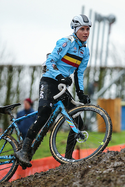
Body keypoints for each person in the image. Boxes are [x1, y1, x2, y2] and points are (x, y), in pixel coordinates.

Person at [15, 14, 92, 167]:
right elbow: (50, 61)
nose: (86, 32)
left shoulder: (85, 52)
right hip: (50, 80)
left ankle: (68, 159)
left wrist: (81, 93)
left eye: (88, 29)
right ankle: (23, 150)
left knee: (77, 121)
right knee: (44, 113)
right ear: (75, 29)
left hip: (62, 85)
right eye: (82, 29)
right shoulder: (66, 42)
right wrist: (59, 76)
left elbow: (79, 74)